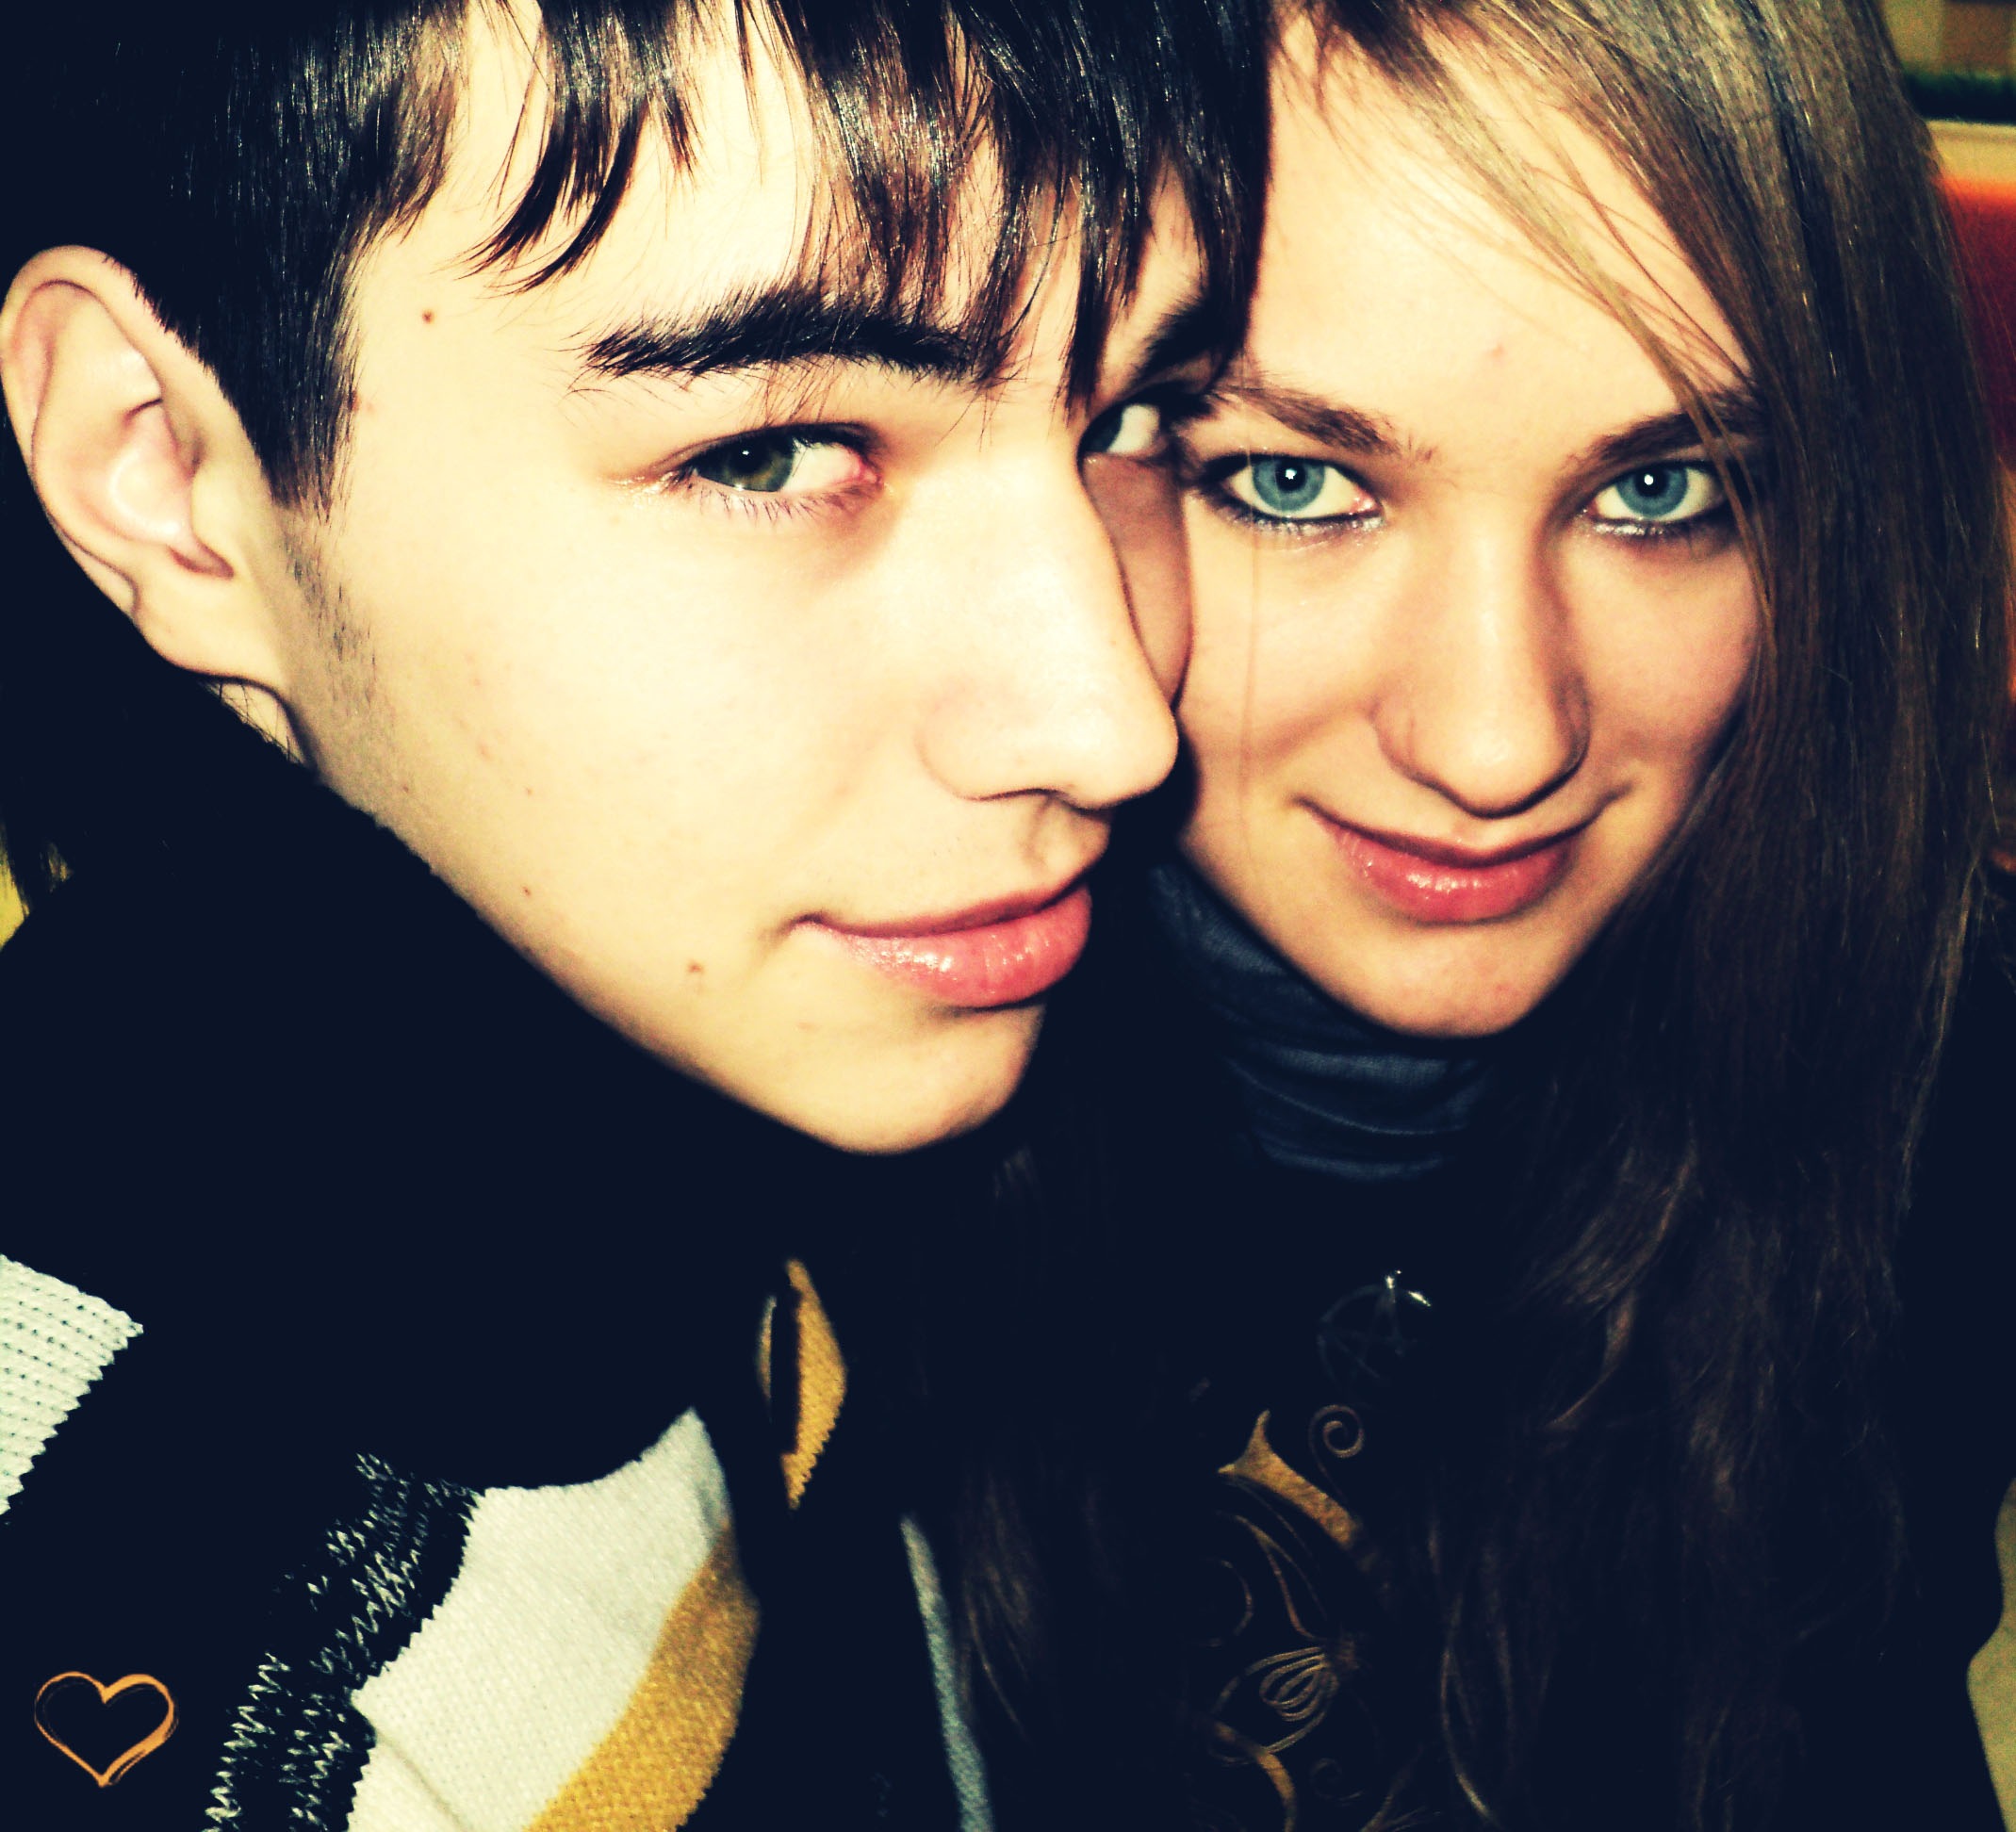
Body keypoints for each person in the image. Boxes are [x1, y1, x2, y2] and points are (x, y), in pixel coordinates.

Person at [0, 1, 1264, 1824]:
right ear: (168, 474)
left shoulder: (701, 1159)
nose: (1115, 722)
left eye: (1131, 417)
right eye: (771, 453)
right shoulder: (185, 1648)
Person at [969, 2, 2015, 1827]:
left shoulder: (1943, 1074)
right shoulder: (796, 1142)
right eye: (1292, 483)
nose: (1494, 741)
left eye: (1660, 491)